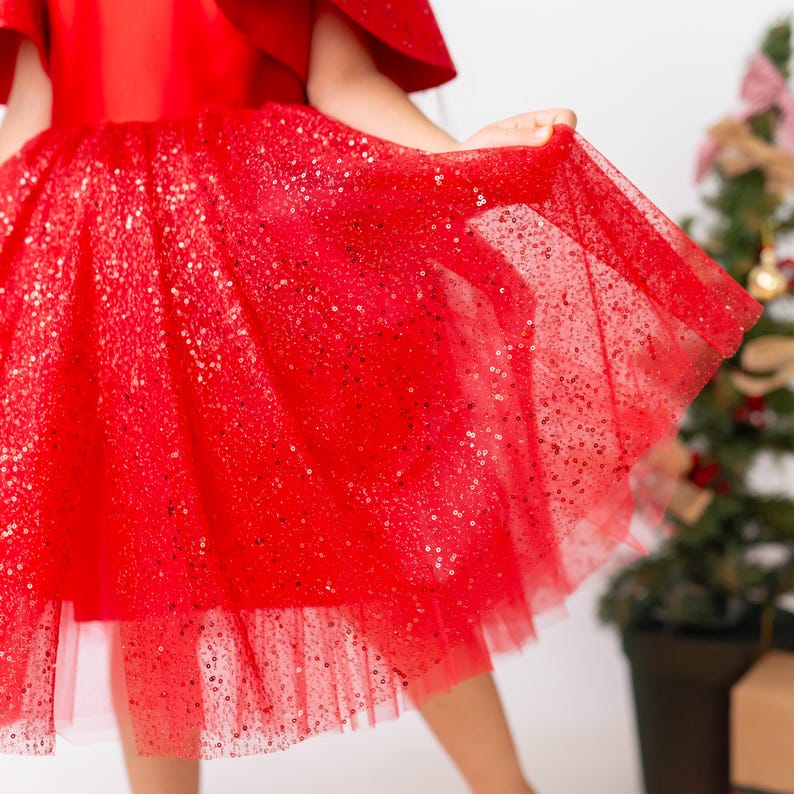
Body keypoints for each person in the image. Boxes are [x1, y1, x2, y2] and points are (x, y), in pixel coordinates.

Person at [0, 2, 760, 794]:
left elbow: (346, 80)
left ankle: (508, 790)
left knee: (375, 542)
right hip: (97, 268)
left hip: (265, 255)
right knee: (146, 572)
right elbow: (29, 113)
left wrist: (459, 161)